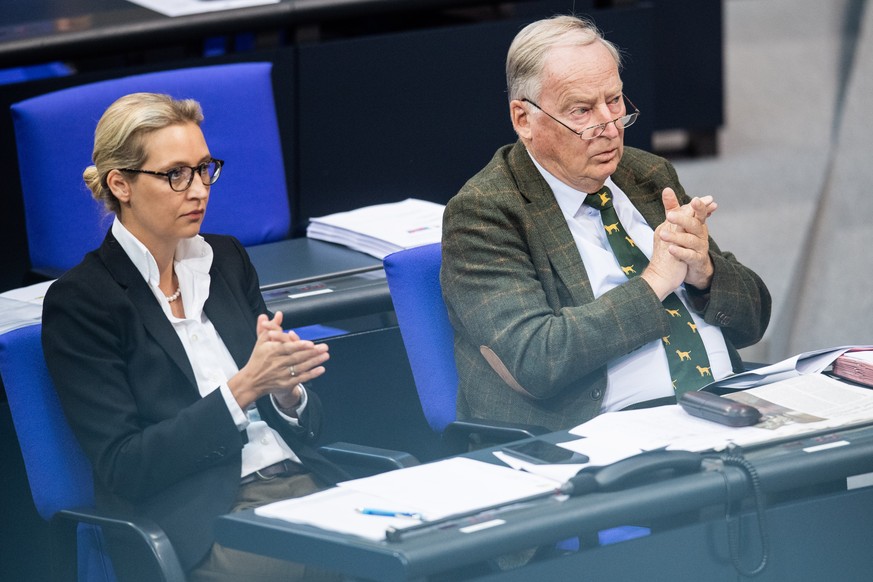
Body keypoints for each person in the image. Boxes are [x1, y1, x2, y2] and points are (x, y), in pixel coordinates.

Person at [42, 93, 345, 581]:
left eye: (205, 169)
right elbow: (124, 466)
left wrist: (288, 394)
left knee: (428, 536)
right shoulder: (83, 301)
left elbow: (306, 422)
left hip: (303, 482)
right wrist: (243, 390)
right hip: (205, 518)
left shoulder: (224, 259)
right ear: (121, 184)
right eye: (175, 174)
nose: (200, 189)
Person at [440, 15, 771, 432]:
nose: (610, 127)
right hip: (602, 435)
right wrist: (655, 283)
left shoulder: (647, 175)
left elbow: (753, 322)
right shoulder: (486, 212)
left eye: (614, 101)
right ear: (524, 119)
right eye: (581, 110)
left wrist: (705, 272)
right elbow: (536, 360)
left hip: (727, 405)